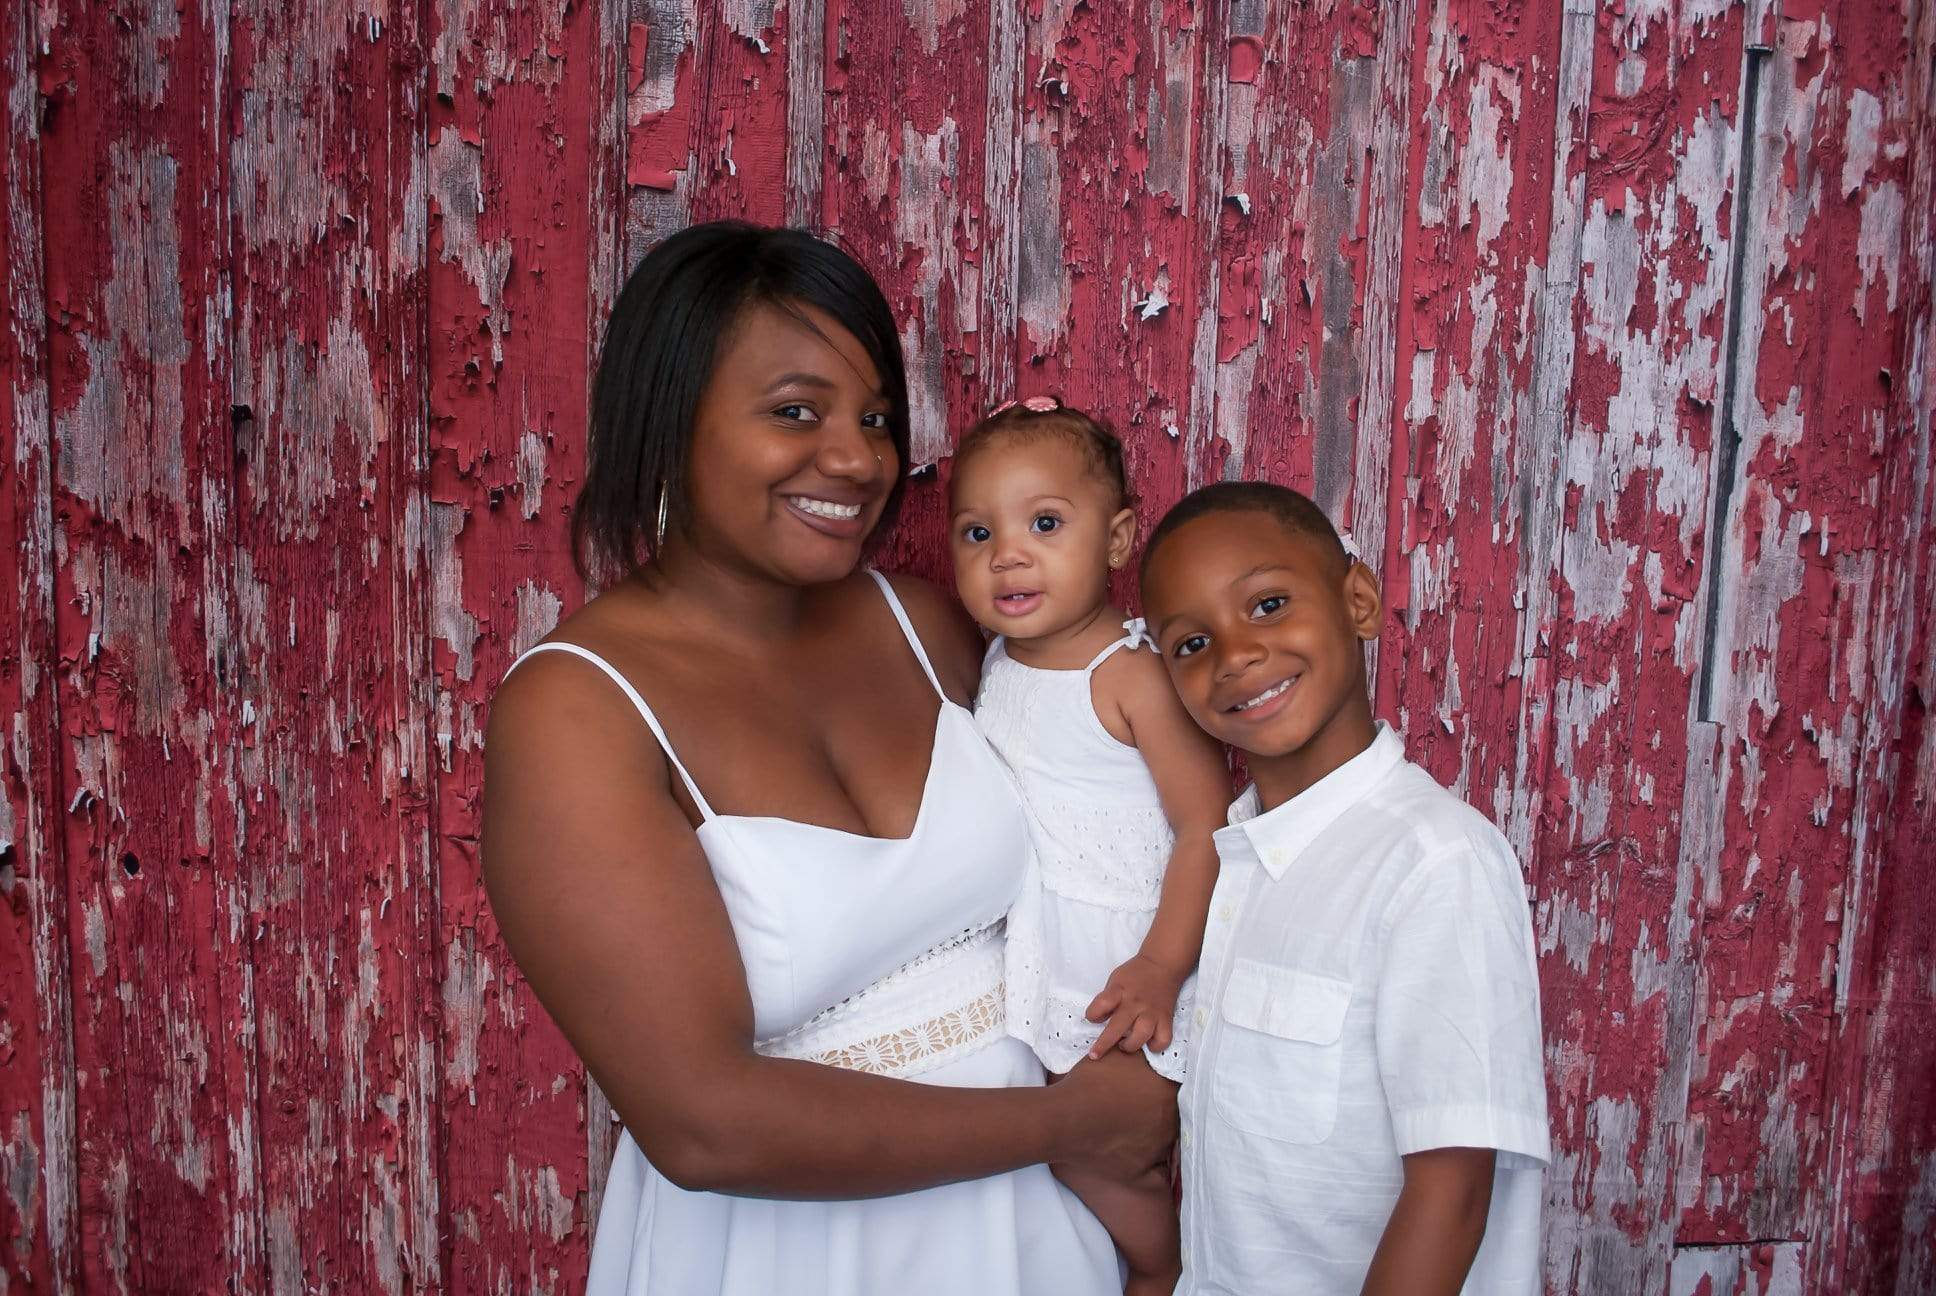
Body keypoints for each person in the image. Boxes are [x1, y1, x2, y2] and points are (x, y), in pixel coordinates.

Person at [482, 221, 1174, 1296]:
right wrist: (1074, 1121)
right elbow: (703, 1122)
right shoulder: (578, 710)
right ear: (669, 424)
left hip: (1038, 1234)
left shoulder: (928, 626)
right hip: (792, 1254)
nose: (857, 459)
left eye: (875, 418)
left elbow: (1123, 831)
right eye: (794, 412)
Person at [1138, 481, 1549, 1295]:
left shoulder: (1435, 862)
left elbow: (1452, 1192)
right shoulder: (1232, 868)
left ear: (1357, 599)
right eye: (1190, 644)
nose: (1236, 656)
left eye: (1268, 604)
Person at [948, 397, 1230, 1295]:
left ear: (1116, 543)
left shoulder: (1128, 675)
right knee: (1047, 1148)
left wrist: (1160, 965)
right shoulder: (997, 659)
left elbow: (1204, 827)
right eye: (976, 532)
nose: (1008, 554)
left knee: (1101, 1155)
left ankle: (1160, 1271)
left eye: (1043, 523)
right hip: (1038, 937)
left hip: (1119, 959)